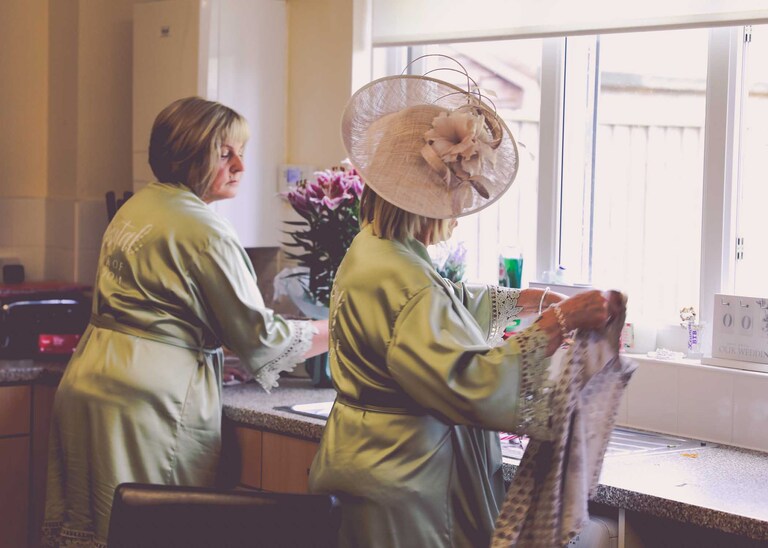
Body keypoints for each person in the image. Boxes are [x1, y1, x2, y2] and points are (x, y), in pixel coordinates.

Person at [307, 66, 625, 547]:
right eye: (460, 193)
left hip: (367, 462)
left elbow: (443, 308)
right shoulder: (401, 275)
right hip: (406, 479)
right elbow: (471, 383)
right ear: (429, 197)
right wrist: (559, 322)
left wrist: (529, 299)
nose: (460, 211)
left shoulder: (374, 250)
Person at [42, 96, 329, 547]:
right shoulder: (204, 229)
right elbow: (262, 340)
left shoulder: (139, 206)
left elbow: (163, 307)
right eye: (224, 152)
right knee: (153, 532)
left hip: (92, 380)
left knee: (102, 527)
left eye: (240, 151)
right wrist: (340, 327)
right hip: (146, 401)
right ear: (188, 154)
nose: (240, 165)